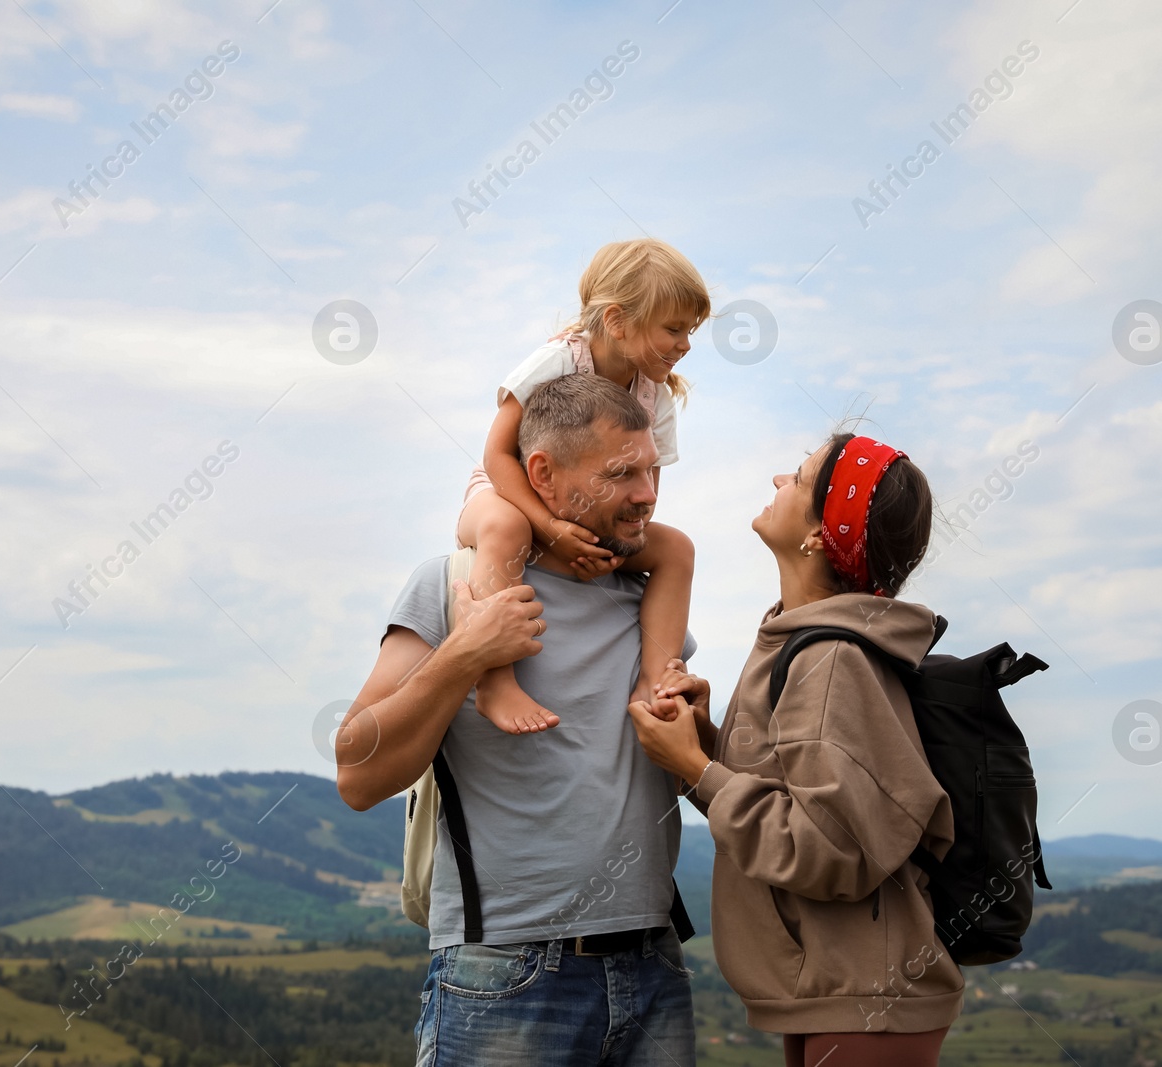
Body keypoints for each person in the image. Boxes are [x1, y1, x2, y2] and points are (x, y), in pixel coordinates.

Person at [336, 374, 698, 1067]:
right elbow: (356, 770)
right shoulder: (452, 582)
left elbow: (665, 772)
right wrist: (469, 652)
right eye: (622, 472)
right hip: (506, 973)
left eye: (653, 469)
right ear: (543, 474)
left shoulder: (649, 602)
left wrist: (695, 732)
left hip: (655, 964)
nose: (649, 492)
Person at [626, 432, 961, 1067]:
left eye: (800, 480)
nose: (780, 479)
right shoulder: (802, 642)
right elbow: (800, 806)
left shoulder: (831, 659)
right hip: (843, 986)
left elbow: (831, 848)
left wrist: (695, 766)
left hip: (865, 994)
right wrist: (703, 749)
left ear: (818, 535)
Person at [455, 237, 707, 734]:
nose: (686, 344)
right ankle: (495, 680)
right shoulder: (558, 362)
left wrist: (622, 544)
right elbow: (497, 454)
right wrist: (548, 527)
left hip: (594, 516)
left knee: (675, 548)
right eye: (674, 329)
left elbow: (647, 488)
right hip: (509, 493)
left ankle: (656, 680)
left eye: (689, 330)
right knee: (506, 530)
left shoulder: (655, 396)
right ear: (617, 321)